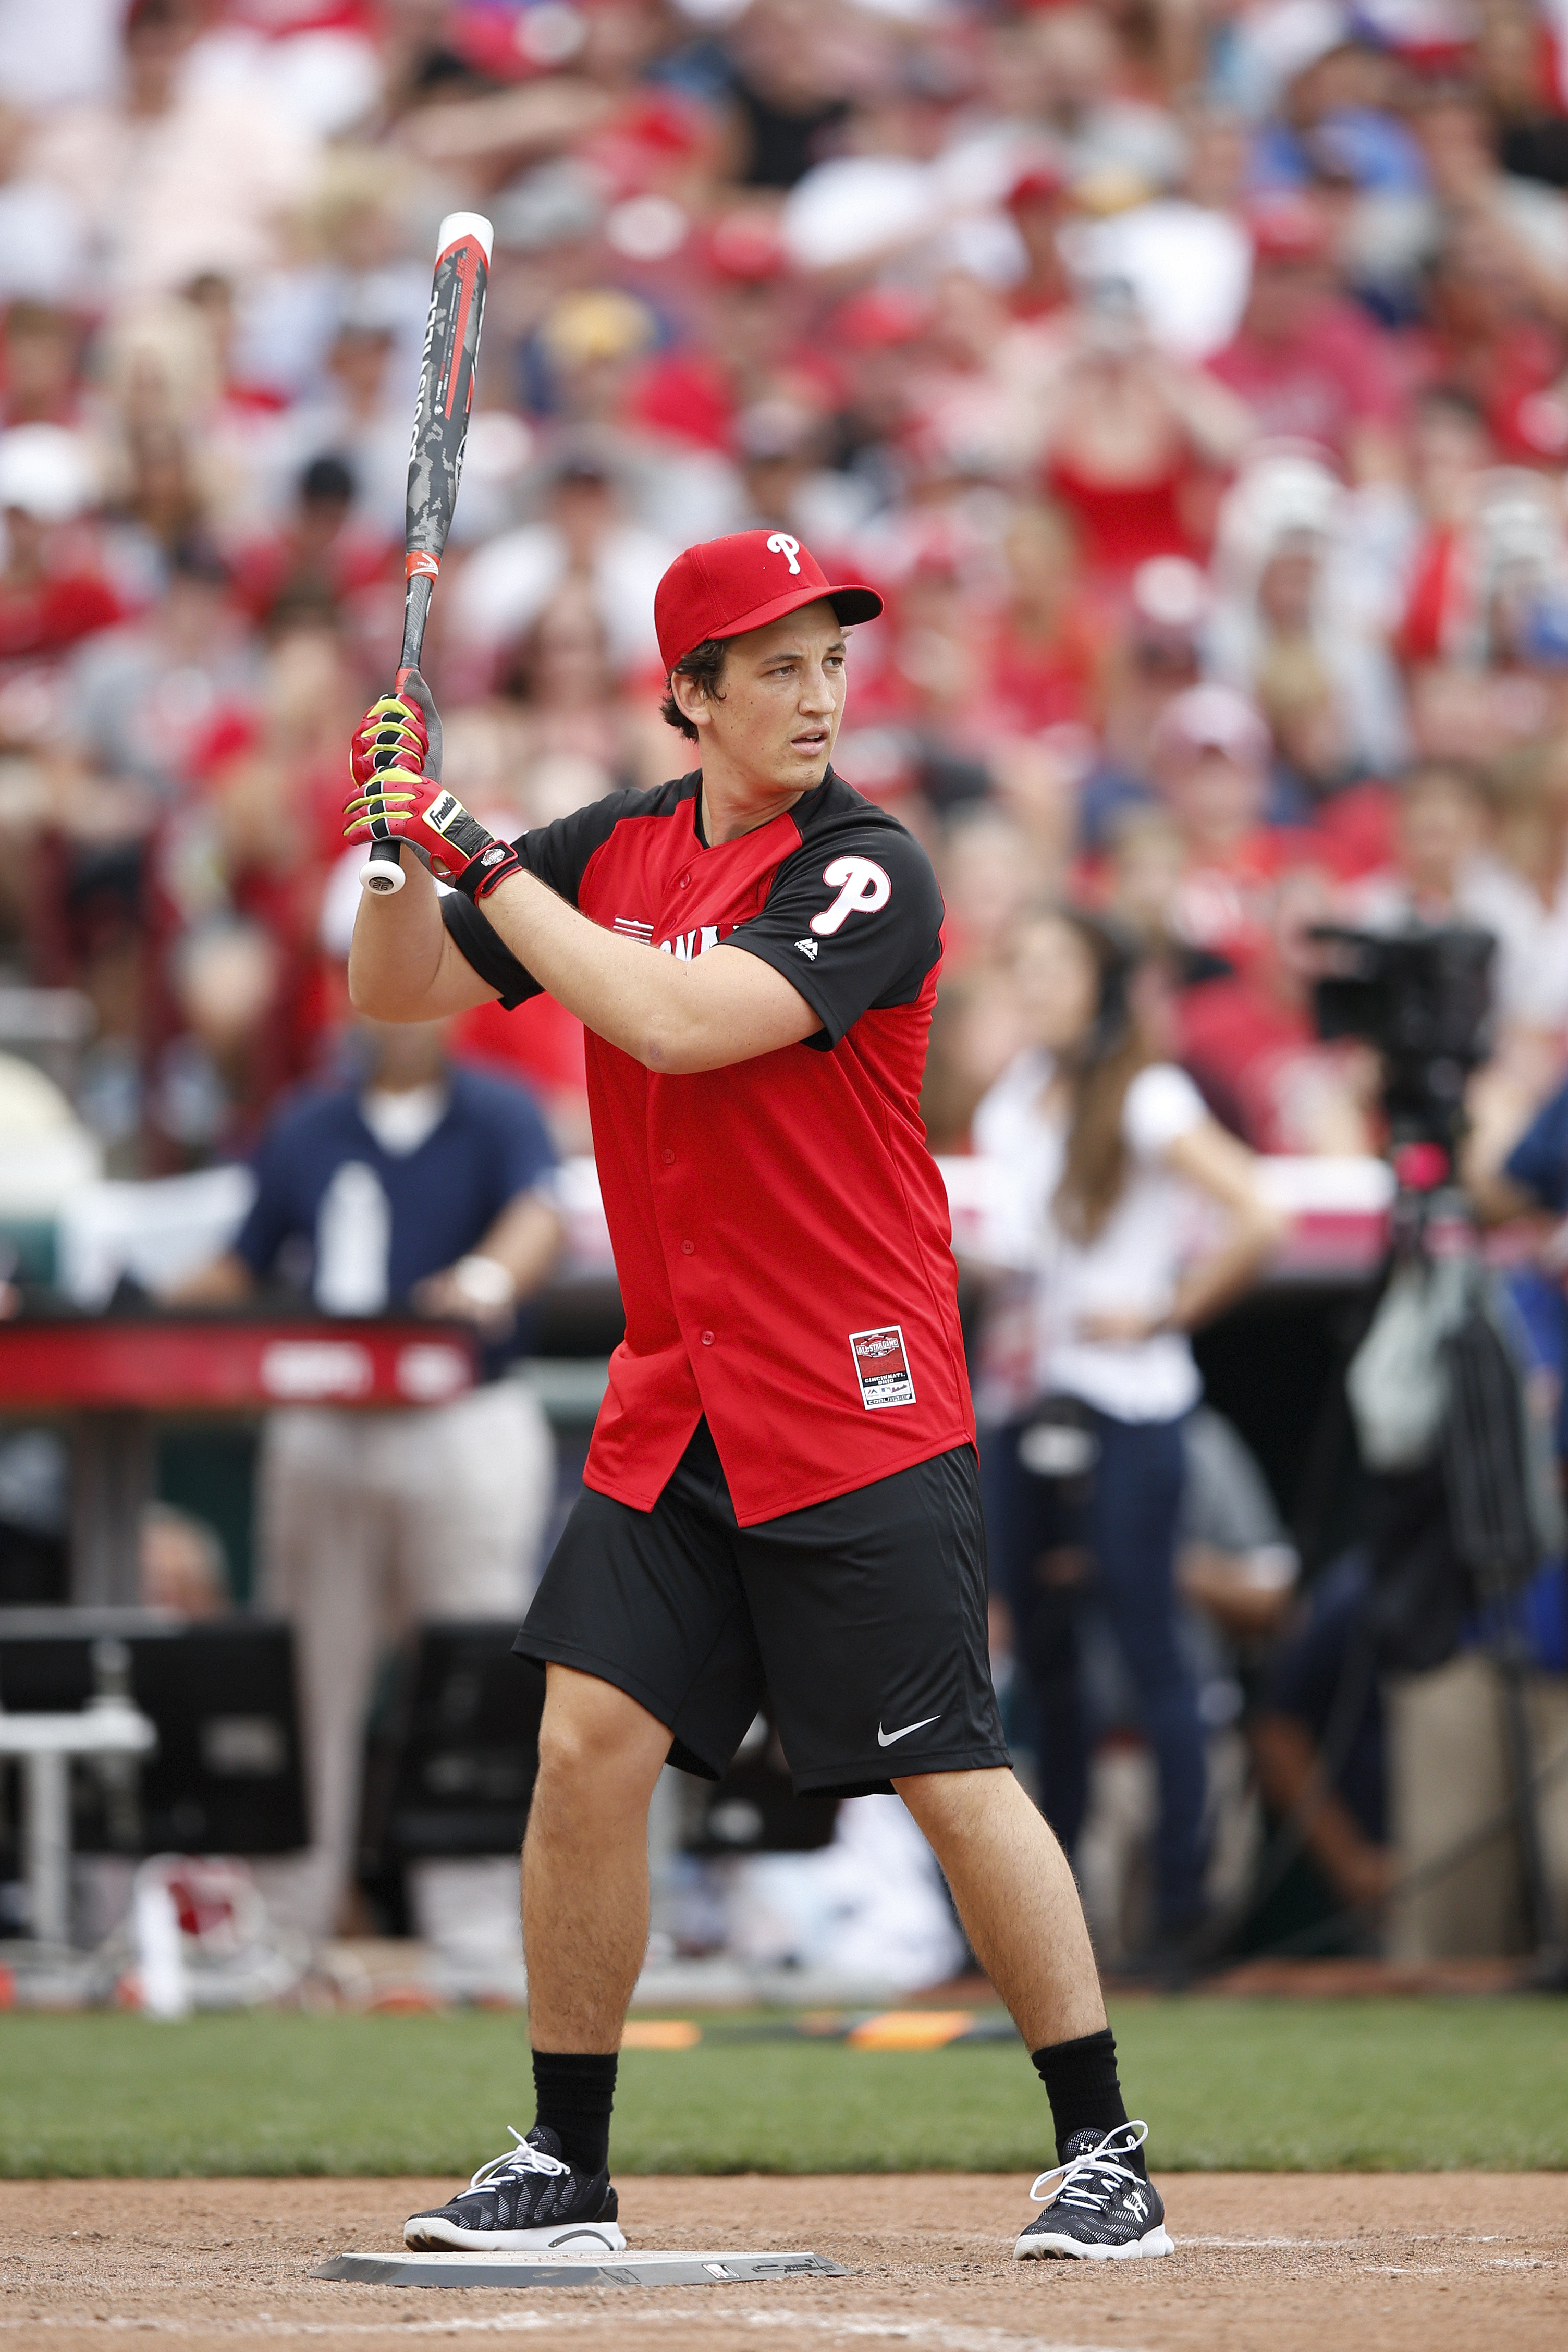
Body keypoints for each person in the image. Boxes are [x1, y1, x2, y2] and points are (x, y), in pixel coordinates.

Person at [344, 528, 1174, 2264]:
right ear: (689, 696)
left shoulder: (871, 867)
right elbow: (397, 990)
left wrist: (475, 848)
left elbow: (669, 1019)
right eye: (773, 664)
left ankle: (1099, 2141)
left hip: (850, 1387)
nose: (816, 693)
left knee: (947, 1770)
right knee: (583, 1746)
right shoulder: (621, 841)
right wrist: (389, 859)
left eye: (828, 658)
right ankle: (564, 2160)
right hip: (679, 1391)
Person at [165, 1016, 561, 1957]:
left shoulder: (499, 1111)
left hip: (462, 1409)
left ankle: (476, 1935)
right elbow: (243, 1259)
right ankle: (286, 1931)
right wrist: (138, 1301)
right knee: (308, 1677)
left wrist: (484, 1277)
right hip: (330, 1413)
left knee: (474, 1669)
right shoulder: (307, 1121)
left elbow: (536, 1218)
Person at [972, 905, 1282, 1951]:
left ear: (1100, 980)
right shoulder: (1016, 1095)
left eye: (1058, 963)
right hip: (1025, 1396)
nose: (1039, 985)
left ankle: (1183, 1912)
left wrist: (1160, 1310)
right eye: (1026, 965)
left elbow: (1257, 1214)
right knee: (1046, 1655)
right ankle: (1058, 1916)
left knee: (1148, 1642)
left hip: (1126, 1397)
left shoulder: (1145, 1093)